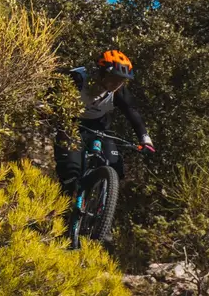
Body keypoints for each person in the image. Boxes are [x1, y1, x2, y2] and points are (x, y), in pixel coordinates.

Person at [55, 49, 154, 196]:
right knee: (71, 170)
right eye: (113, 78)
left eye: (121, 80)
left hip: (99, 126)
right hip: (71, 124)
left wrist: (145, 139)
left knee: (114, 165)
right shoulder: (77, 78)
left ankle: (99, 206)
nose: (116, 84)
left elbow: (133, 114)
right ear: (101, 72)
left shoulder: (119, 92)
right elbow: (53, 94)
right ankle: (66, 203)